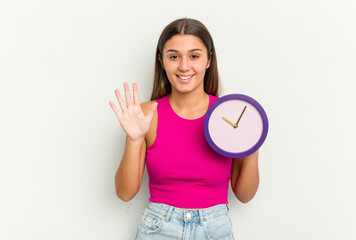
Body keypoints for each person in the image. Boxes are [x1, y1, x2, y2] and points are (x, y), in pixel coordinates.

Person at [109, 18, 260, 240]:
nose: (184, 66)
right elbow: (125, 193)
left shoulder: (228, 115)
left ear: (209, 60)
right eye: (174, 56)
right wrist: (134, 140)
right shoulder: (146, 115)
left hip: (215, 229)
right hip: (159, 229)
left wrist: (252, 145)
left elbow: (245, 195)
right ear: (161, 61)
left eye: (194, 56)